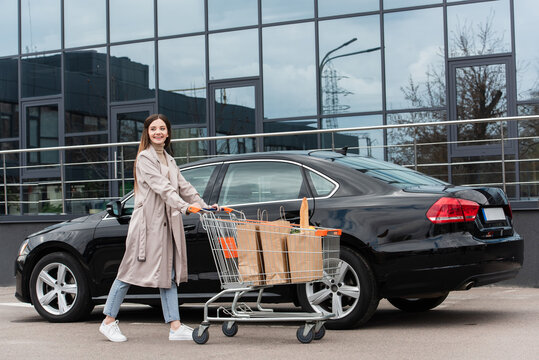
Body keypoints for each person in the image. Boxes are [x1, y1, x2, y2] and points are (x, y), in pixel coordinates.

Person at [99, 114, 218, 342]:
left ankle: (174, 326)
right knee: (127, 272)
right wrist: (185, 207)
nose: (158, 132)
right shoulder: (145, 158)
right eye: (153, 129)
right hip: (147, 227)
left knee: (168, 275)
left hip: (165, 226)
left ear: (168, 132)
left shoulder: (169, 160)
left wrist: (204, 207)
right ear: (147, 133)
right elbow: (163, 188)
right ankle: (108, 321)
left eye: (162, 128)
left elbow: (185, 187)